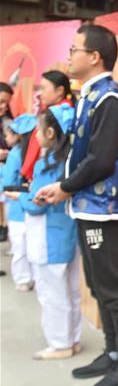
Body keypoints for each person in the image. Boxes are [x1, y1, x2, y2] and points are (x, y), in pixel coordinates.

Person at [36, 24, 118, 386]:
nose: (69, 56)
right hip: (91, 207)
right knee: (99, 286)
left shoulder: (109, 99)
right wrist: (63, 187)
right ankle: (113, 353)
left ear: (95, 57)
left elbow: (100, 161)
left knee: (114, 288)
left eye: (74, 49)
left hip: (109, 209)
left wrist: (64, 188)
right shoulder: (91, 96)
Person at [9, 105, 82, 359]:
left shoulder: (47, 164)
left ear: (50, 133)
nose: (35, 136)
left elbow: (37, 204)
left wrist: (19, 196)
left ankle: (60, 344)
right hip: (67, 235)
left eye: (39, 131)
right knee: (69, 290)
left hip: (48, 238)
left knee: (52, 292)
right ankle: (72, 339)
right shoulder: (71, 161)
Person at [2, 114, 37, 290]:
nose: (6, 138)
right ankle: (36, 278)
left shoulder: (15, 154)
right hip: (34, 206)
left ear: (18, 135)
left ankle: (23, 279)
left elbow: (7, 182)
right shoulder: (38, 154)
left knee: (19, 247)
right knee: (33, 245)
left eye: (8, 134)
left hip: (16, 208)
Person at [21, 70, 75, 182]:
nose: (40, 93)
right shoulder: (55, 111)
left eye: (43, 88)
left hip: (51, 170)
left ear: (60, 90)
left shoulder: (63, 114)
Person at [0, 81, 15, 245]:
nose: (4, 106)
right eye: (1, 101)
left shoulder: (9, 122)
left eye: (6, 103)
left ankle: (3, 227)